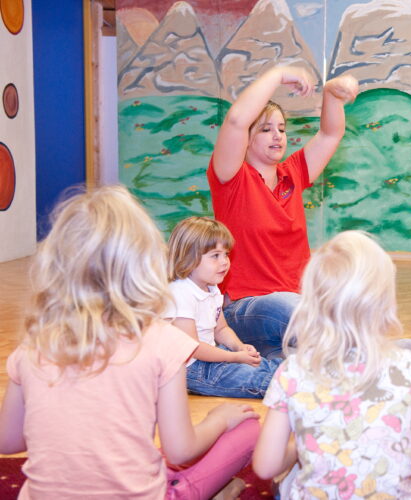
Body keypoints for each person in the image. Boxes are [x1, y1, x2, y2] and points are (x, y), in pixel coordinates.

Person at [0, 186, 259, 499]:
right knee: (247, 428)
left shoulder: (34, 345)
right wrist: (219, 420)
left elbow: (8, 442)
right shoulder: (164, 342)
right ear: (145, 265)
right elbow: (181, 450)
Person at [251, 231, 411, 499]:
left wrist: (300, 449)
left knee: (287, 479)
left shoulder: (292, 370)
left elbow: (265, 466)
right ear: (385, 302)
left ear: (310, 304)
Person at [208, 66, 359, 361]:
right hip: (246, 308)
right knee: (289, 307)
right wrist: (278, 74)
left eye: (281, 129)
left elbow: (330, 134)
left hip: (296, 312)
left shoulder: (294, 174)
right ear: (246, 139)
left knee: (305, 340)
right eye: (266, 129)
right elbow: (236, 120)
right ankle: (361, 356)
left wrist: (332, 95)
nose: (277, 136)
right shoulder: (231, 179)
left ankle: (352, 356)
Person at [165, 216, 279, 398]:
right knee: (260, 380)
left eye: (226, 254)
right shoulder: (180, 293)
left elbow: (221, 329)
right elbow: (192, 348)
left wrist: (239, 348)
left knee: (267, 366)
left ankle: (309, 377)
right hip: (192, 368)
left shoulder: (211, 288)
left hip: (212, 355)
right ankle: (305, 389)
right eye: (215, 256)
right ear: (189, 258)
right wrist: (235, 358)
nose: (225, 261)